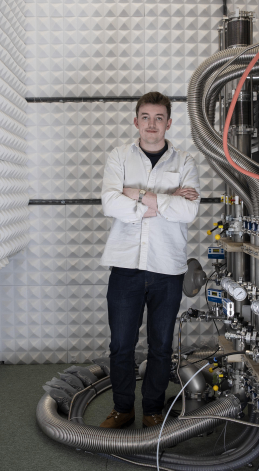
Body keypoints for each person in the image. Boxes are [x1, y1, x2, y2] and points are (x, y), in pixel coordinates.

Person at [99, 92, 201, 429]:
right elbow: (110, 204)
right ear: (136, 121)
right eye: (145, 117)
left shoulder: (184, 162)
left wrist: (137, 194)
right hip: (125, 267)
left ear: (169, 123)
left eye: (159, 118)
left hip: (168, 268)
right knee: (121, 345)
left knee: (161, 346)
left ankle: (153, 410)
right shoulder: (119, 157)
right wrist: (166, 201)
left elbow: (188, 211)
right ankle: (123, 408)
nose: (152, 124)